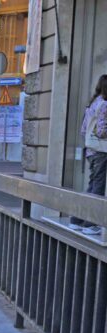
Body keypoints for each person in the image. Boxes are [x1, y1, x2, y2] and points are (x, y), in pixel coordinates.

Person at [70, 75, 107, 236]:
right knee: (97, 186)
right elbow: (101, 131)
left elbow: (84, 130)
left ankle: (77, 220)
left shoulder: (93, 103)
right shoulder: (105, 104)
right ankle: (91, 224)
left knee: (92, 185)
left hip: (90, 150)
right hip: (101, 150)